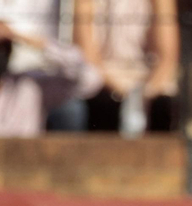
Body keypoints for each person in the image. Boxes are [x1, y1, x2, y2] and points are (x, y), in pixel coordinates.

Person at [73, 0, 178, 133]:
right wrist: (123, 93)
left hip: (147, 84)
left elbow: (166, 59)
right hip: (104, 81)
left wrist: (141, 96)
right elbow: (87, 54)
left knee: (162, 107)